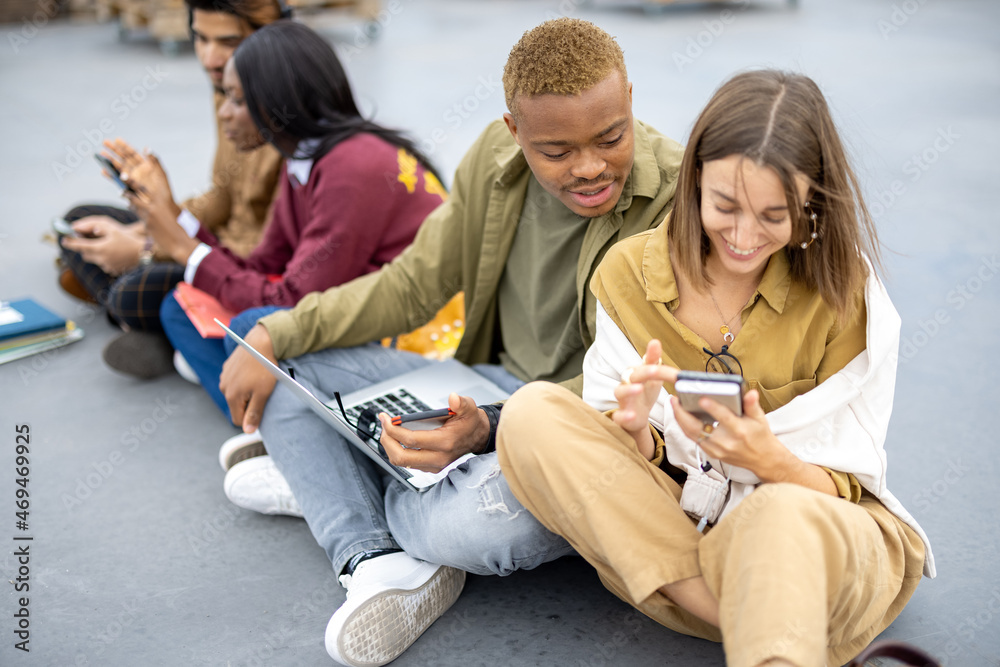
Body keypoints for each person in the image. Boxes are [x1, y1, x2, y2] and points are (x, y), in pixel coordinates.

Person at [216, 18, 685, 667]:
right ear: (515, 131)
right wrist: (277, 328)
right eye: (556, 150)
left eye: (611, 137)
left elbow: (642, 382)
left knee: (470, 528)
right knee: (276, 356)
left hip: (582, 437)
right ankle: (376, 559)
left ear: (630, 100)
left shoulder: (674, 201)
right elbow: (411, 284)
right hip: (483, 384)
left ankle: (336, 482)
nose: (589, 167)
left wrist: (489, 428)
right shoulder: (496, 159)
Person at [496, 69, 935, 667]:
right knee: (529, 414)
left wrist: (767, 460)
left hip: (819, 550)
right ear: (694, 178)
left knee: (777, 513)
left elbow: (846, 486)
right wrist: (635, 436)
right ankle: (758, 622)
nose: (744, 236)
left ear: (811, 204)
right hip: (686, 549)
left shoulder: (845, 294)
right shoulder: (627, 274)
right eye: (724, 206)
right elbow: (633, 466)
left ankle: (772, 627)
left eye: (774, 216)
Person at [102, 20, 444, 420]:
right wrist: (173, 216)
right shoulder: (303, 158)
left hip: (415, 341)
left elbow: (292, 303)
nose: (225, 113)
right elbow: (263, 266)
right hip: (342, 313)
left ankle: (271, 426)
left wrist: (181, 246)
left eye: (236, 100)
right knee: (180, 308)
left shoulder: (353, 167)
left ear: (279, 103)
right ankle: (262, 422)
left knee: (253, 326)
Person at [57, 0, 286, 379]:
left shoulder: (286, 115)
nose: (210, 57)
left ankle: (158, 328)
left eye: (228, 41)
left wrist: (149, 250)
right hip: (205, 241)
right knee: (78, 220)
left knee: (128, 293)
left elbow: (271, 254)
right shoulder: (226, 88)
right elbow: (222, 196)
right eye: (200, 38)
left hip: (240, 266)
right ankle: (165, 330)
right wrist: (149, 220)